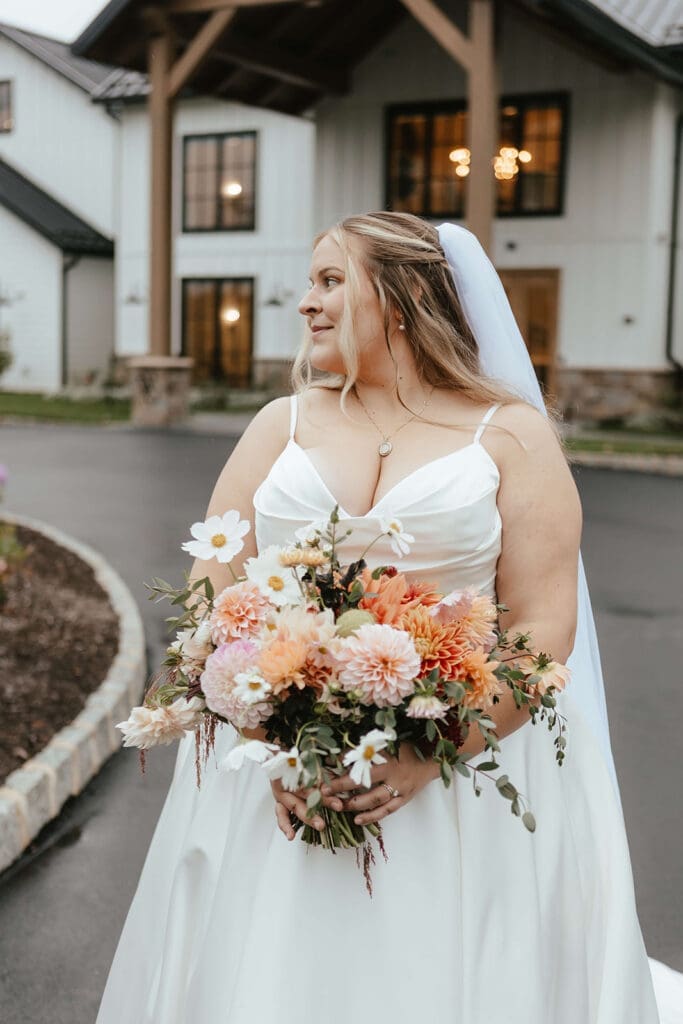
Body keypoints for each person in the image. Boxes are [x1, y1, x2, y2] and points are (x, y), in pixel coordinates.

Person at [96, 212, 678, 1023]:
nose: (306, 302)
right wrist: (277, 739)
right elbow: (212, 590)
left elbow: (543, 629)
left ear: (402, 300)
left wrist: (426, 756)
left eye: (331, 280)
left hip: (462, 765)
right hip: (283, 771)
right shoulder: (280, 424)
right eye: (309, 283)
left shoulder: (510, 435)